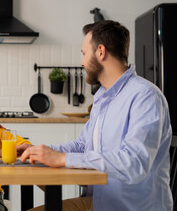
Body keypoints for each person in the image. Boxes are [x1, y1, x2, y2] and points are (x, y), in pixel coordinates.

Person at [21, 20, 173, 211]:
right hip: (98, 202)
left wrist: (63, 159)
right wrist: (37, 151)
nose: (82, 62)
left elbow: (135, 163)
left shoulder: (145, 96)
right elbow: (83, 145)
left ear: (100, 52)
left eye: (84, 54)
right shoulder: (103, 95)